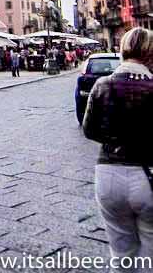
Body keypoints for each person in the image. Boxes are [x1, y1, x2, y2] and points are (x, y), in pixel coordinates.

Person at [83, 27, 153, 264]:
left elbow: (89, 130)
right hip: (148, 175)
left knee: (121, 257)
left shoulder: (103, 84)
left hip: (108, 176)